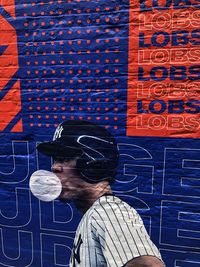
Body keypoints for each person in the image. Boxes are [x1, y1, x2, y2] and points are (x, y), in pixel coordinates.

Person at [37, 120, 165, 267]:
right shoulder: (94, 215)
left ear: (92, 163)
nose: (54, 167)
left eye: (64, 158)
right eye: (55, 160)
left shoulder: (109, 212)